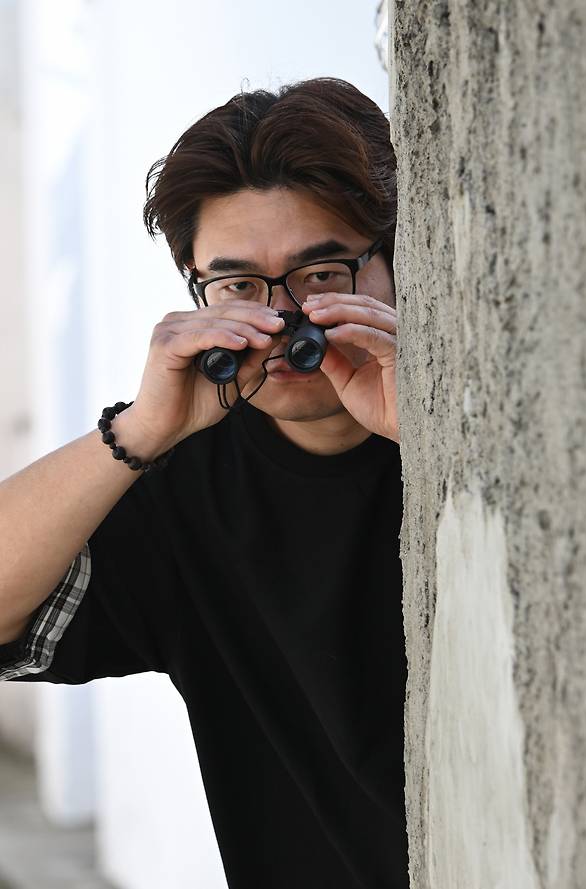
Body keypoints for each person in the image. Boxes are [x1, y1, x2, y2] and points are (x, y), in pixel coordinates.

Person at [0, 77, 408, 889]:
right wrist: (139, 433)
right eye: (240, 287)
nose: (285, 318)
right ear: (195, 287)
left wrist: (428, 432)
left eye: (321, 274)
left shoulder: (477, 429)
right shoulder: (178, 477)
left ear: (395, 260)